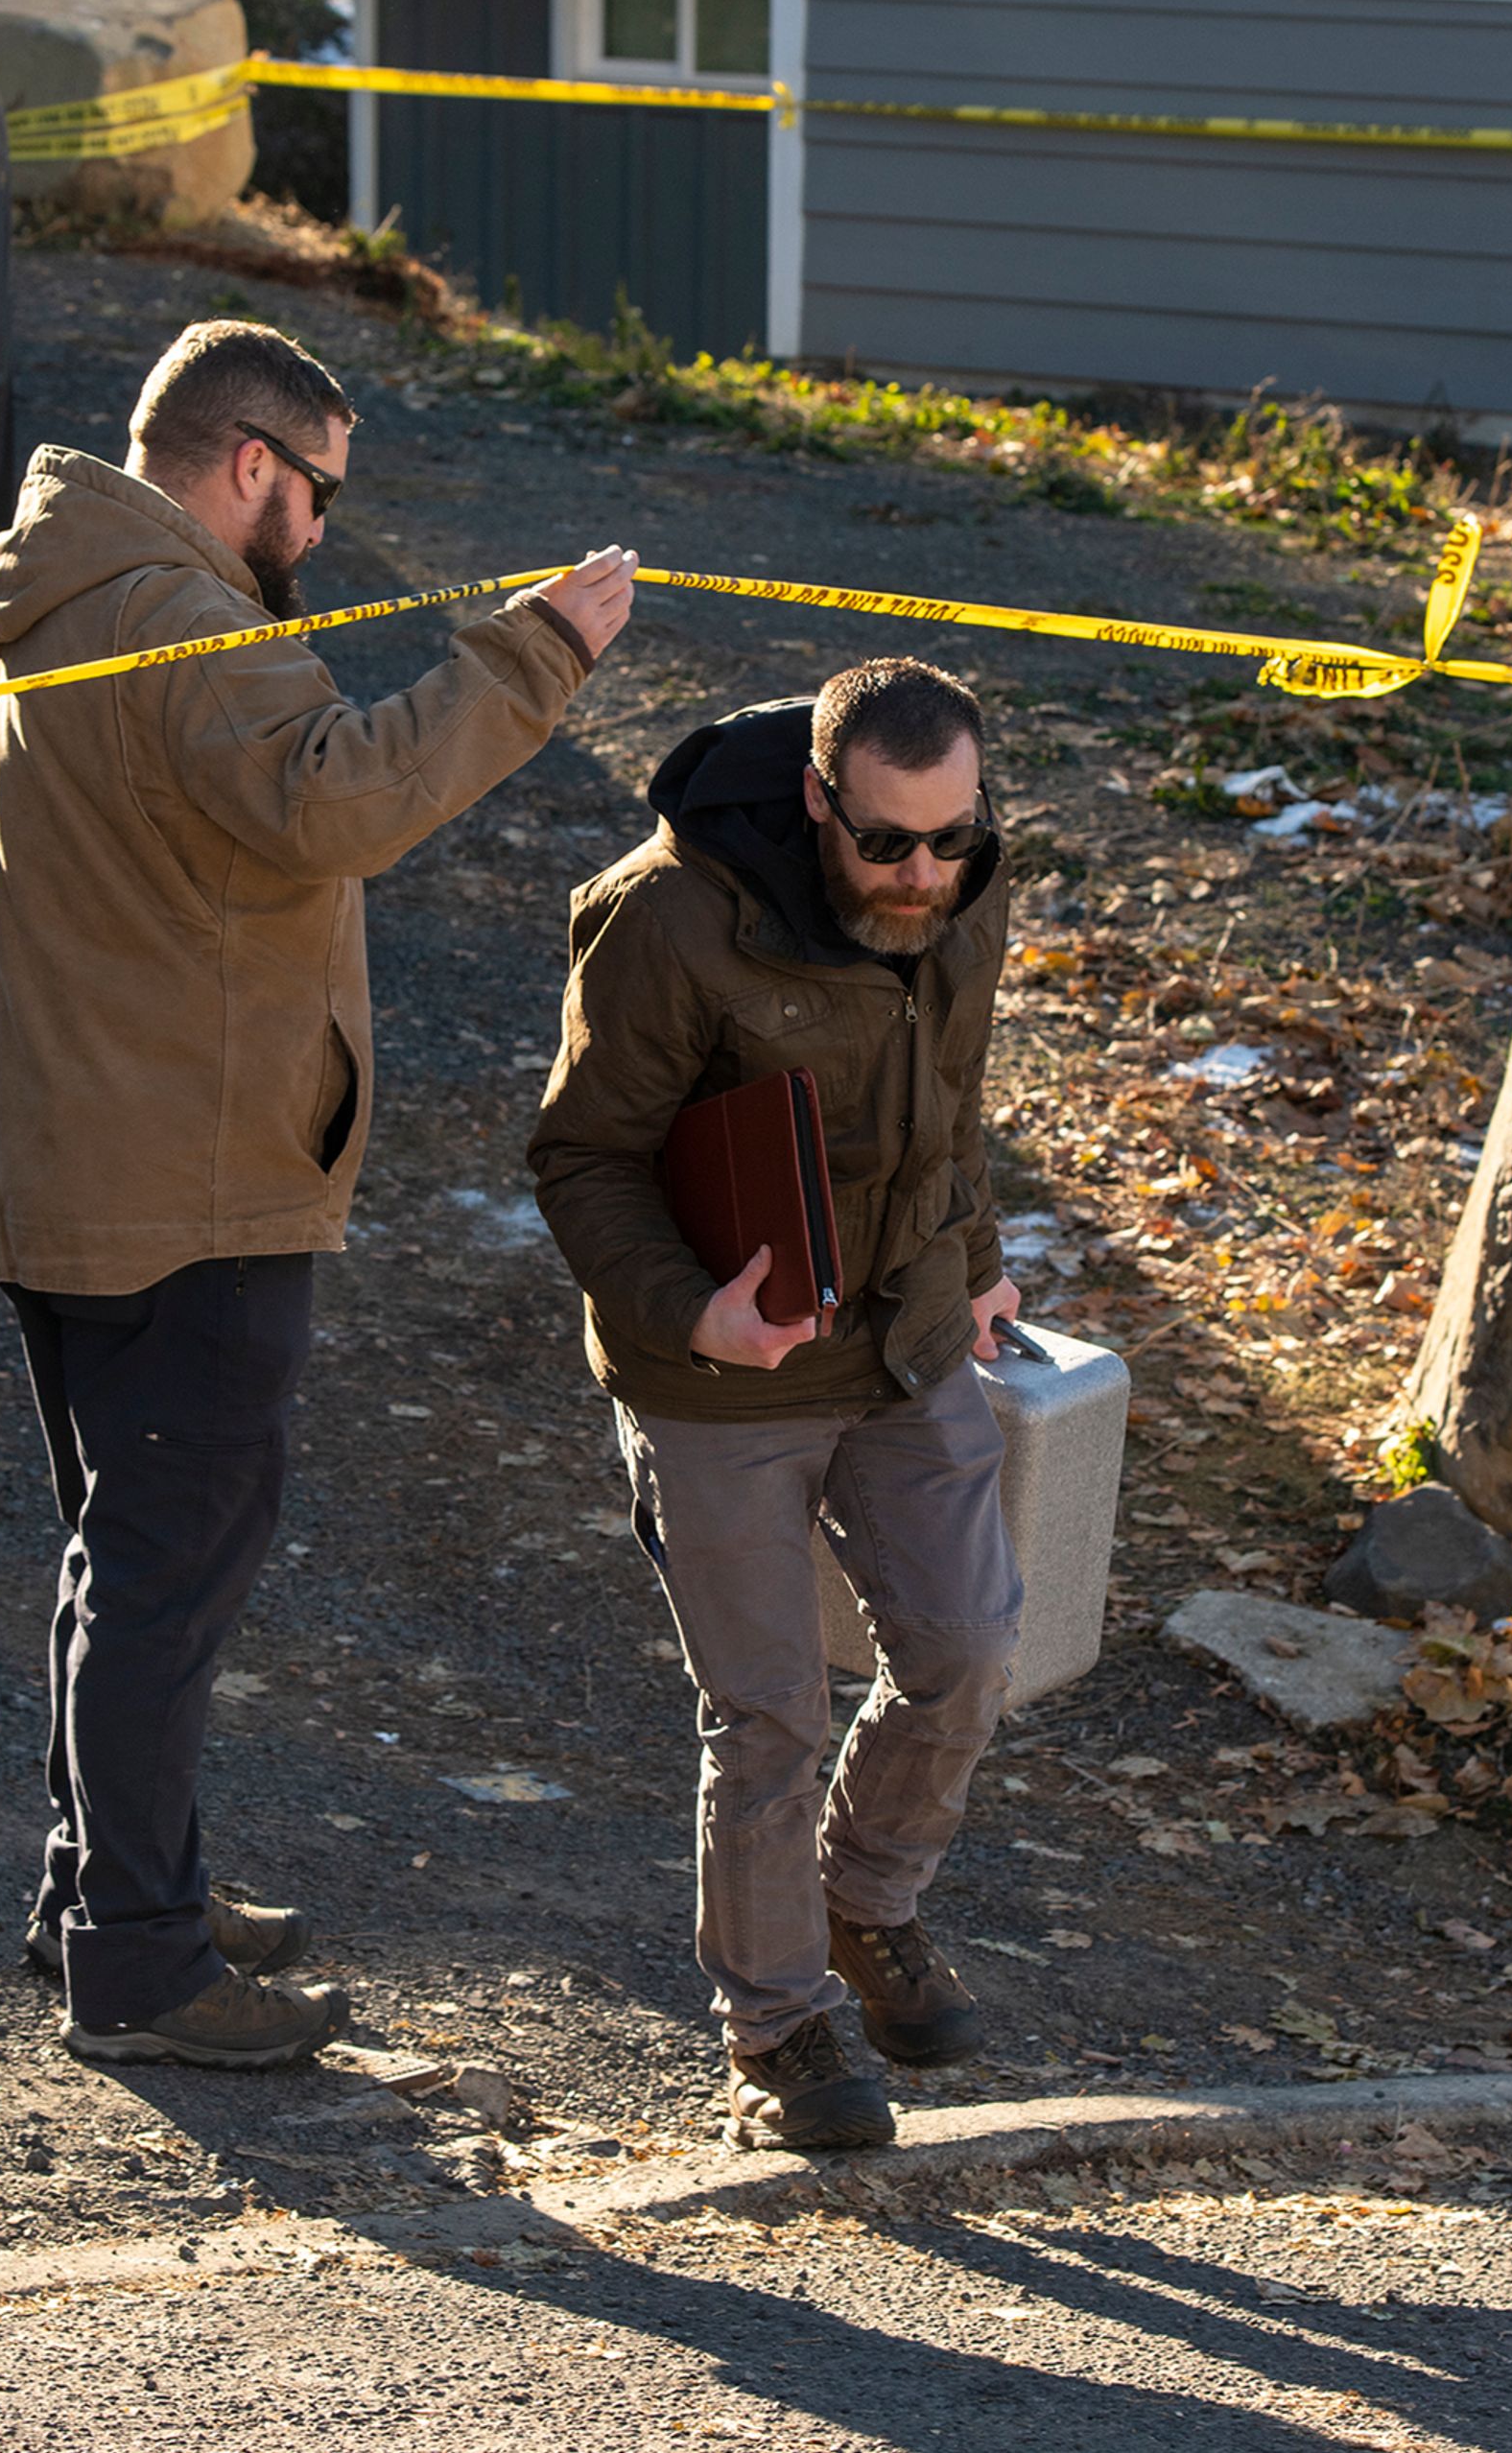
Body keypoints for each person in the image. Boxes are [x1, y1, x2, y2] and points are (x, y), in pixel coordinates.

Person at [0, 318, 636, 2069]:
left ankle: (110, 1893)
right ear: (249, 463)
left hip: (62, 1166)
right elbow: (345, 799)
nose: (318, 537)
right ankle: (147, 1969)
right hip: (193, 1189)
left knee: (122, 1560)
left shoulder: (10, 609)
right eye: (315, 495)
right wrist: (542, 650)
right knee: (166, 1577)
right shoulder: (181, 622)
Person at [529, 658, 1022, 2149]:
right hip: (720, 1376)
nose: (923, 873)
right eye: (886, 843)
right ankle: (782, 2031)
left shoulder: (965, 884)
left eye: (952, 839)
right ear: (819, 799)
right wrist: (691, 1311)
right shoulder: (669, 917)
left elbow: (958, 1091)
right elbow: (583, 1159)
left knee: (971, 1649)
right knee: (768, 1713)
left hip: (909, 1333)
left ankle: (862, 1907)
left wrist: (982, 1261)